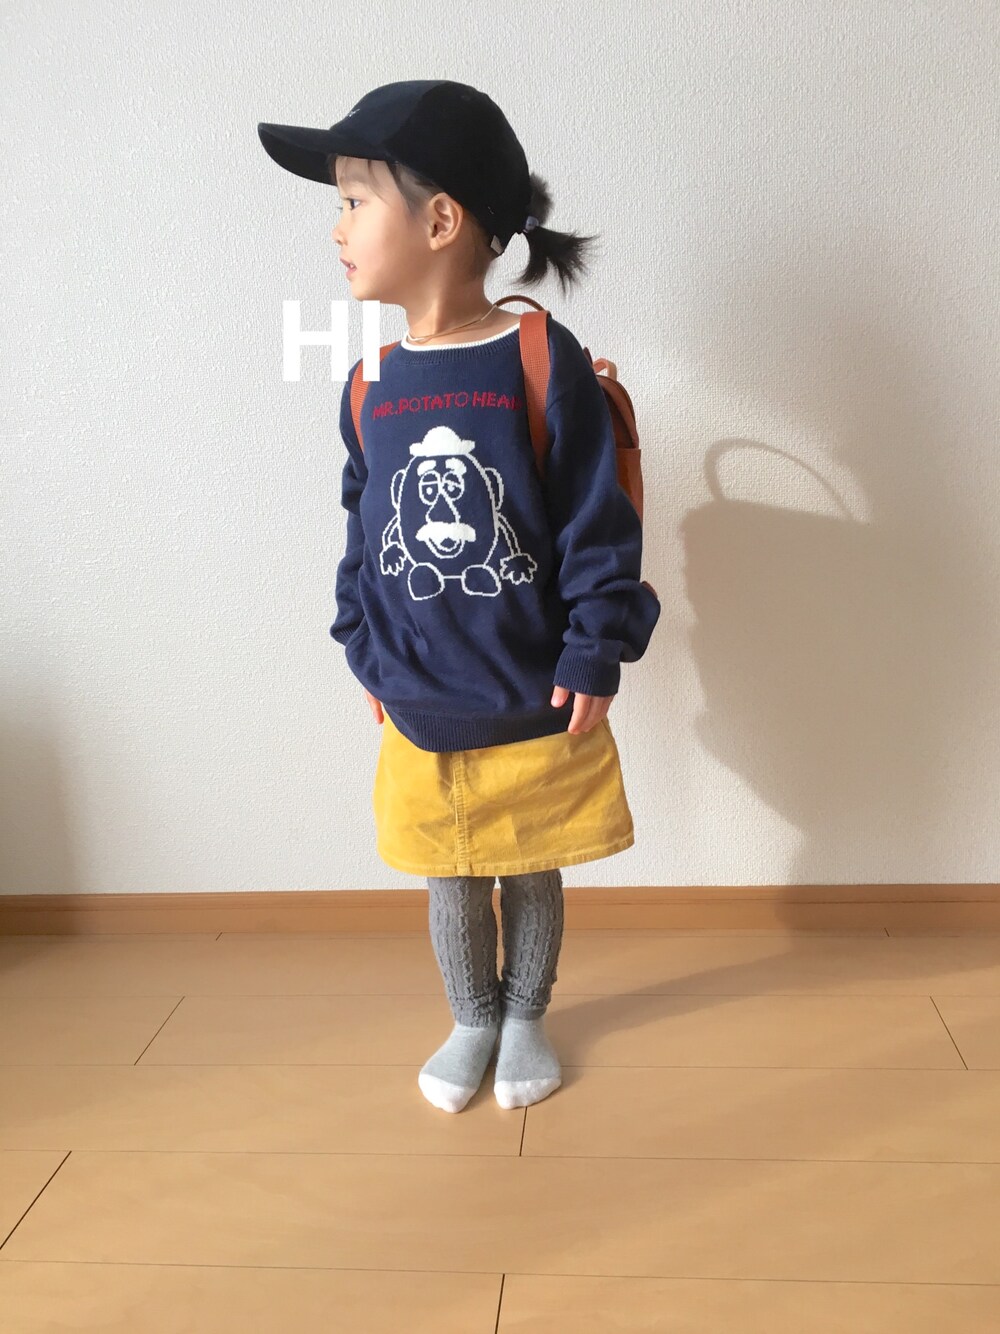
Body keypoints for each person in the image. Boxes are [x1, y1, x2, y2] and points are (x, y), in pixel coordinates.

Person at [258, 80, 660, 1115]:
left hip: (532, 690)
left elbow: (593, 519)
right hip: (418, 696)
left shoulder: (537, 358)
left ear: (440, 221)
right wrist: (363, 646)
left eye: (355, 201)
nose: (337, 227)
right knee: (448, 870)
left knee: (529, 864)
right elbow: (363, 535)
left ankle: (525, 1014)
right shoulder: (369, 384)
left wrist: (595, 647)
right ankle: (473, 1016)